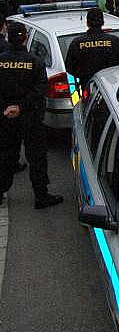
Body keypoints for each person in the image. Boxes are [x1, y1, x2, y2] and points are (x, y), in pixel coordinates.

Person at [0, 22, 63, 208]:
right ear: (25, 38)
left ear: (8, 38)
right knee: (36, 157)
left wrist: (7, 108)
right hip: (30, 116)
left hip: (5, 117)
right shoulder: (36, 61)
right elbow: (39, 90)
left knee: (5, 155)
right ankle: (41, 196)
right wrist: (20, 107)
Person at [65, 7, 119, 91]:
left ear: (87, 23)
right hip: (112, 88)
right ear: (103, 22)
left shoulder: (77, 43)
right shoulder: (114, 41)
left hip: (87, 88)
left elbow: (69, 67)